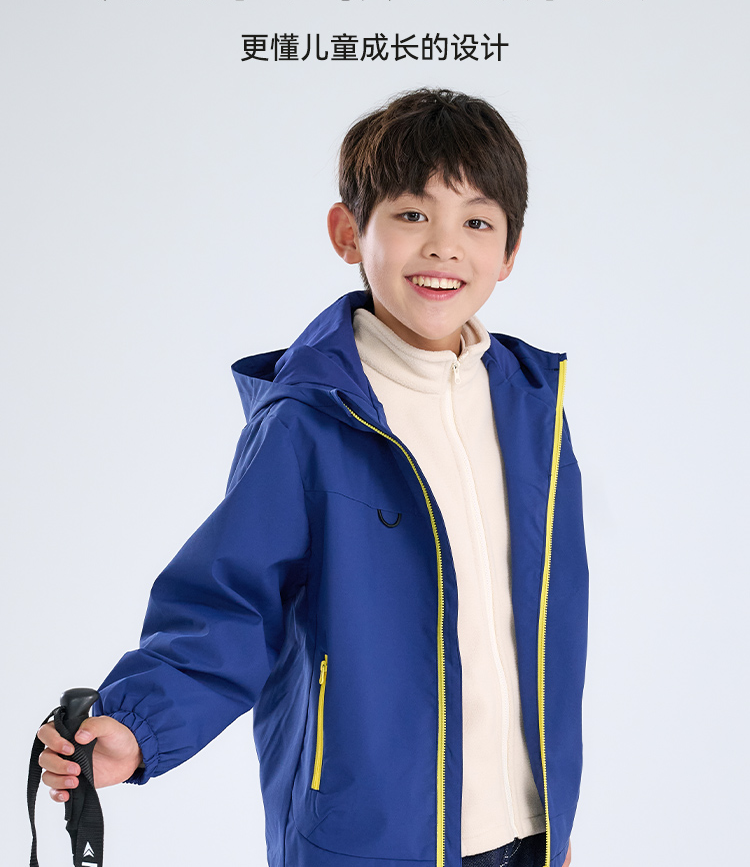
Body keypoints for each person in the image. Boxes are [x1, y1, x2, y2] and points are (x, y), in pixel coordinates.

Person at [37, 88, 587, 867]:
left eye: (476, 222)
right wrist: (137, 725)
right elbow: (231, 602)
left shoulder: (533, 409)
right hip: (368, 837)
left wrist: (552, 815)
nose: (444, 247)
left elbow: (532, 626)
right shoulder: (310, 420)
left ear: (510, 251)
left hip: (527, 832)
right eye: (411, 214)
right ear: (347, 231)